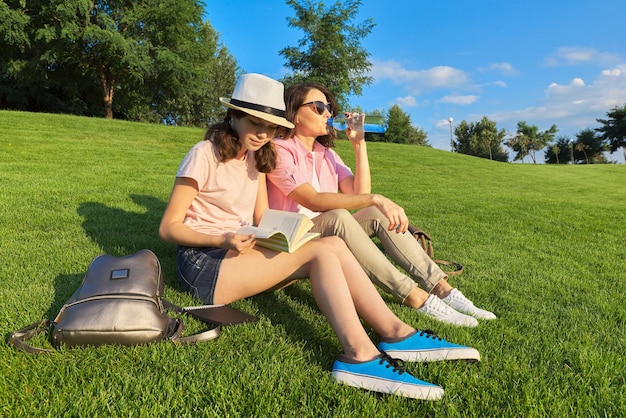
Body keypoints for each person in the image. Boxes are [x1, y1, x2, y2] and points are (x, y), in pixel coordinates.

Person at [159, 73, 481, 401]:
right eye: (255, 122)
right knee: (321, 252)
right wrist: (223, 239)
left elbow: (261, 220)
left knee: (332, 244)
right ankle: (359, 356)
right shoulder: (204, 153)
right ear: (233, 116)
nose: (262, 133)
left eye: (269, 126)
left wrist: (282, 237)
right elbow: (168, 227)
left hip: (239, 254)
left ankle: (397, 333)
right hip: (203, 262)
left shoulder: (256, 158)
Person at [266, 81, 496, 327]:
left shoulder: (327, 154)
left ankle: (443, 289)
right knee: (340, 216)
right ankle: (415, 297)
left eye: (329, 108)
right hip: (290, 238)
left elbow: (359, 193)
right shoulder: (279, 150)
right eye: (319, 107)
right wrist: (376, 198)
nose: (327, 114)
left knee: (374, 213)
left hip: (323, 231)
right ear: (294, 112)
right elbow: (312, 200)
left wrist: (359, 145)